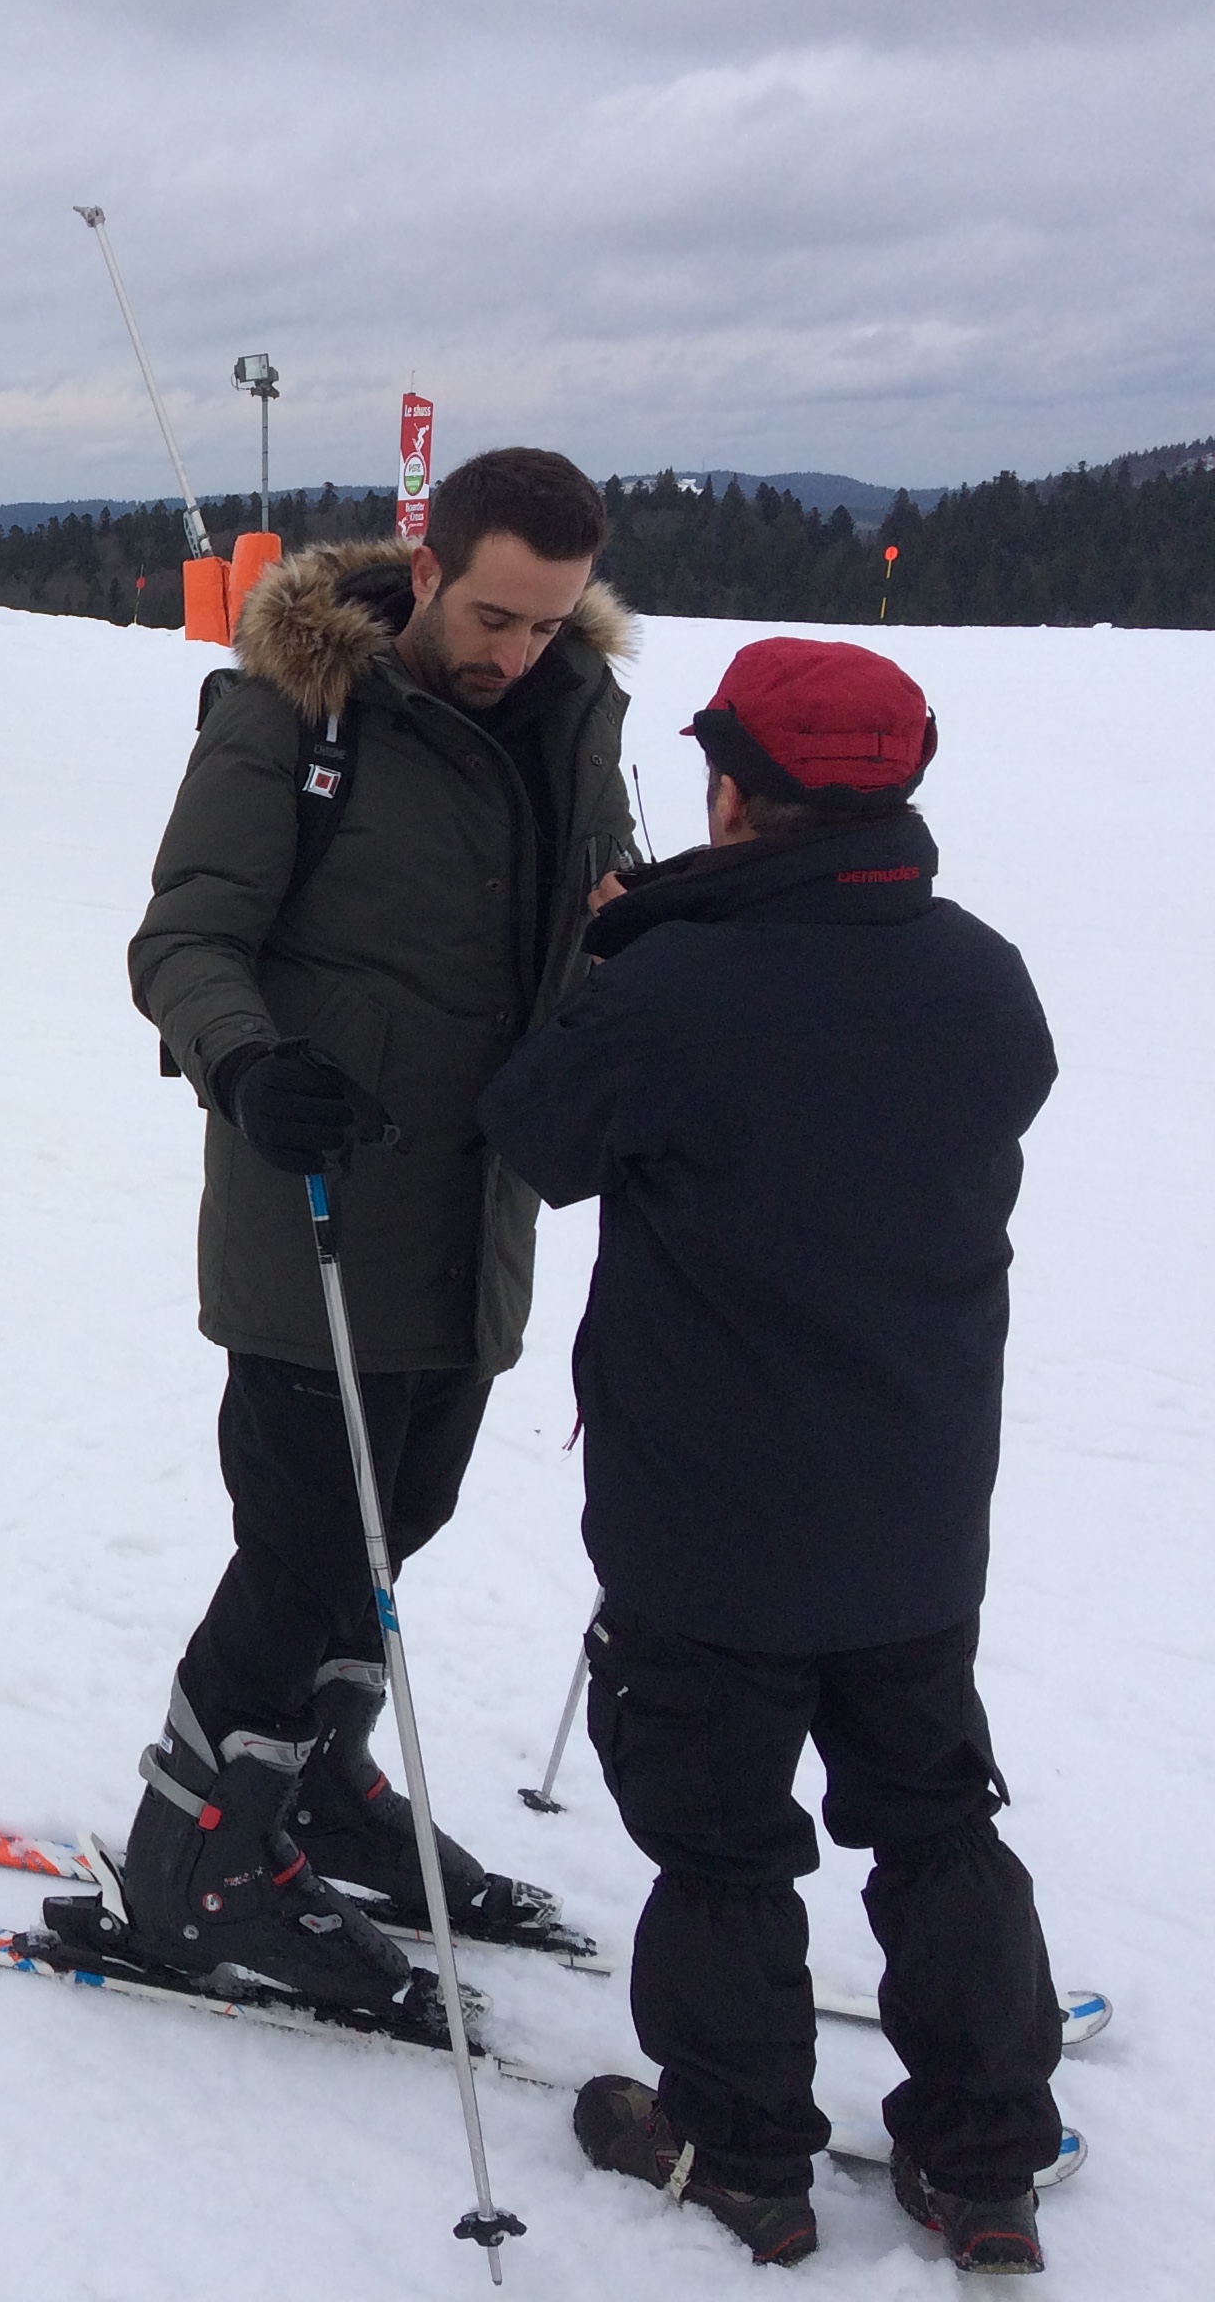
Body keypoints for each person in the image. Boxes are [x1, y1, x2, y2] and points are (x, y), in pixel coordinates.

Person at [478, 639, 1061, 2272]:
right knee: (933, 1813)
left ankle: (742, 2154)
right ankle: (986, 2160)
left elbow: (533, 1132)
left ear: (734, 791)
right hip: (916, 1506)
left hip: (710, 1524)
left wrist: (626, 943)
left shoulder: (679, 988)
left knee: (724, 1842)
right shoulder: (981, 975)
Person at [81, 449, 637, 2019]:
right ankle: (193, 1858)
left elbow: (601, 909)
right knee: (306, 1549)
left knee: (408, 1522)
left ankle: (315, 1789)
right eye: (493, 615)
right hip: (316, 1202)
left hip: (482, 1212)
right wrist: (247, 1062)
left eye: (548, 622)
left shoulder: (574, 709)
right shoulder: (295, 707)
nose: (515, 651)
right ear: (430, 561)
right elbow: (184, 935)